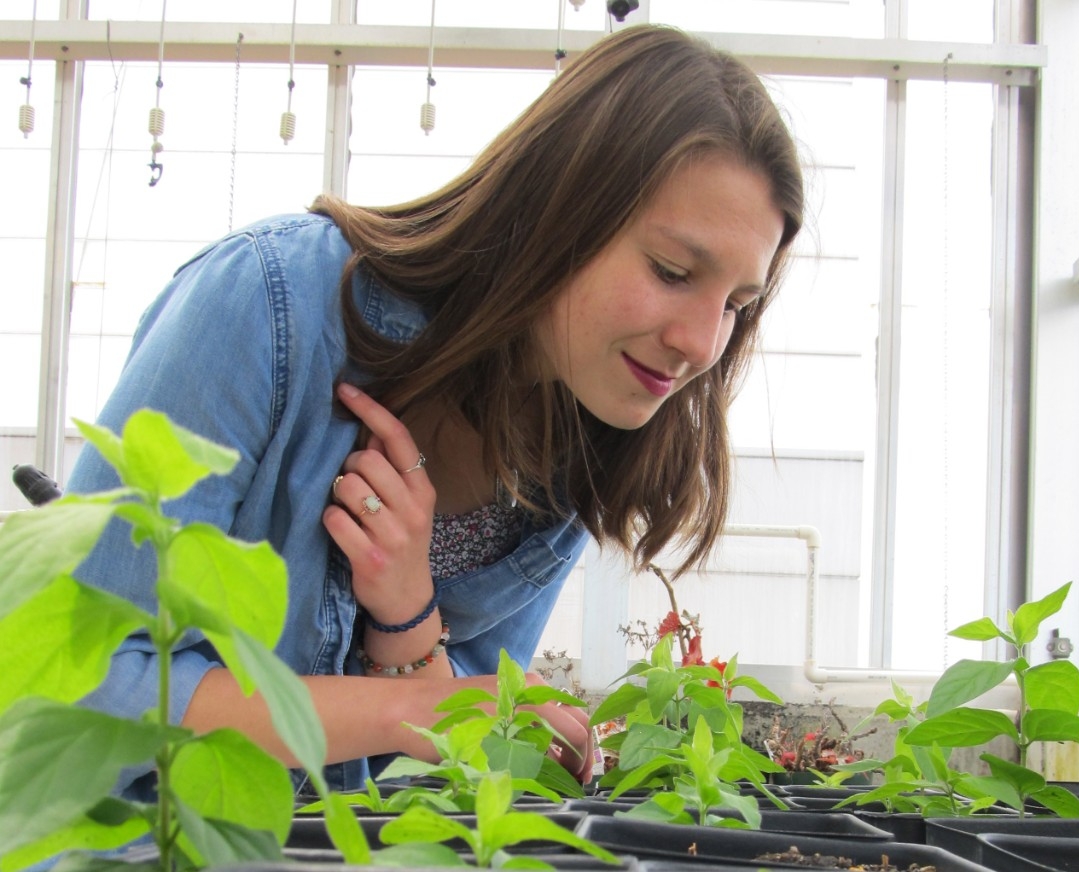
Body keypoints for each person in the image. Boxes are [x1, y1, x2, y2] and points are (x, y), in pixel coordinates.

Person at [68, 22, 804, 798]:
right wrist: (409, 702)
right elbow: (81, 681)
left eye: (736, 304)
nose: (699, 341)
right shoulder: (266, 304)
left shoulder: (571, 445)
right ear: (561, 208)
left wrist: (410, 624)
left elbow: (439, 779)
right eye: (671, 269)